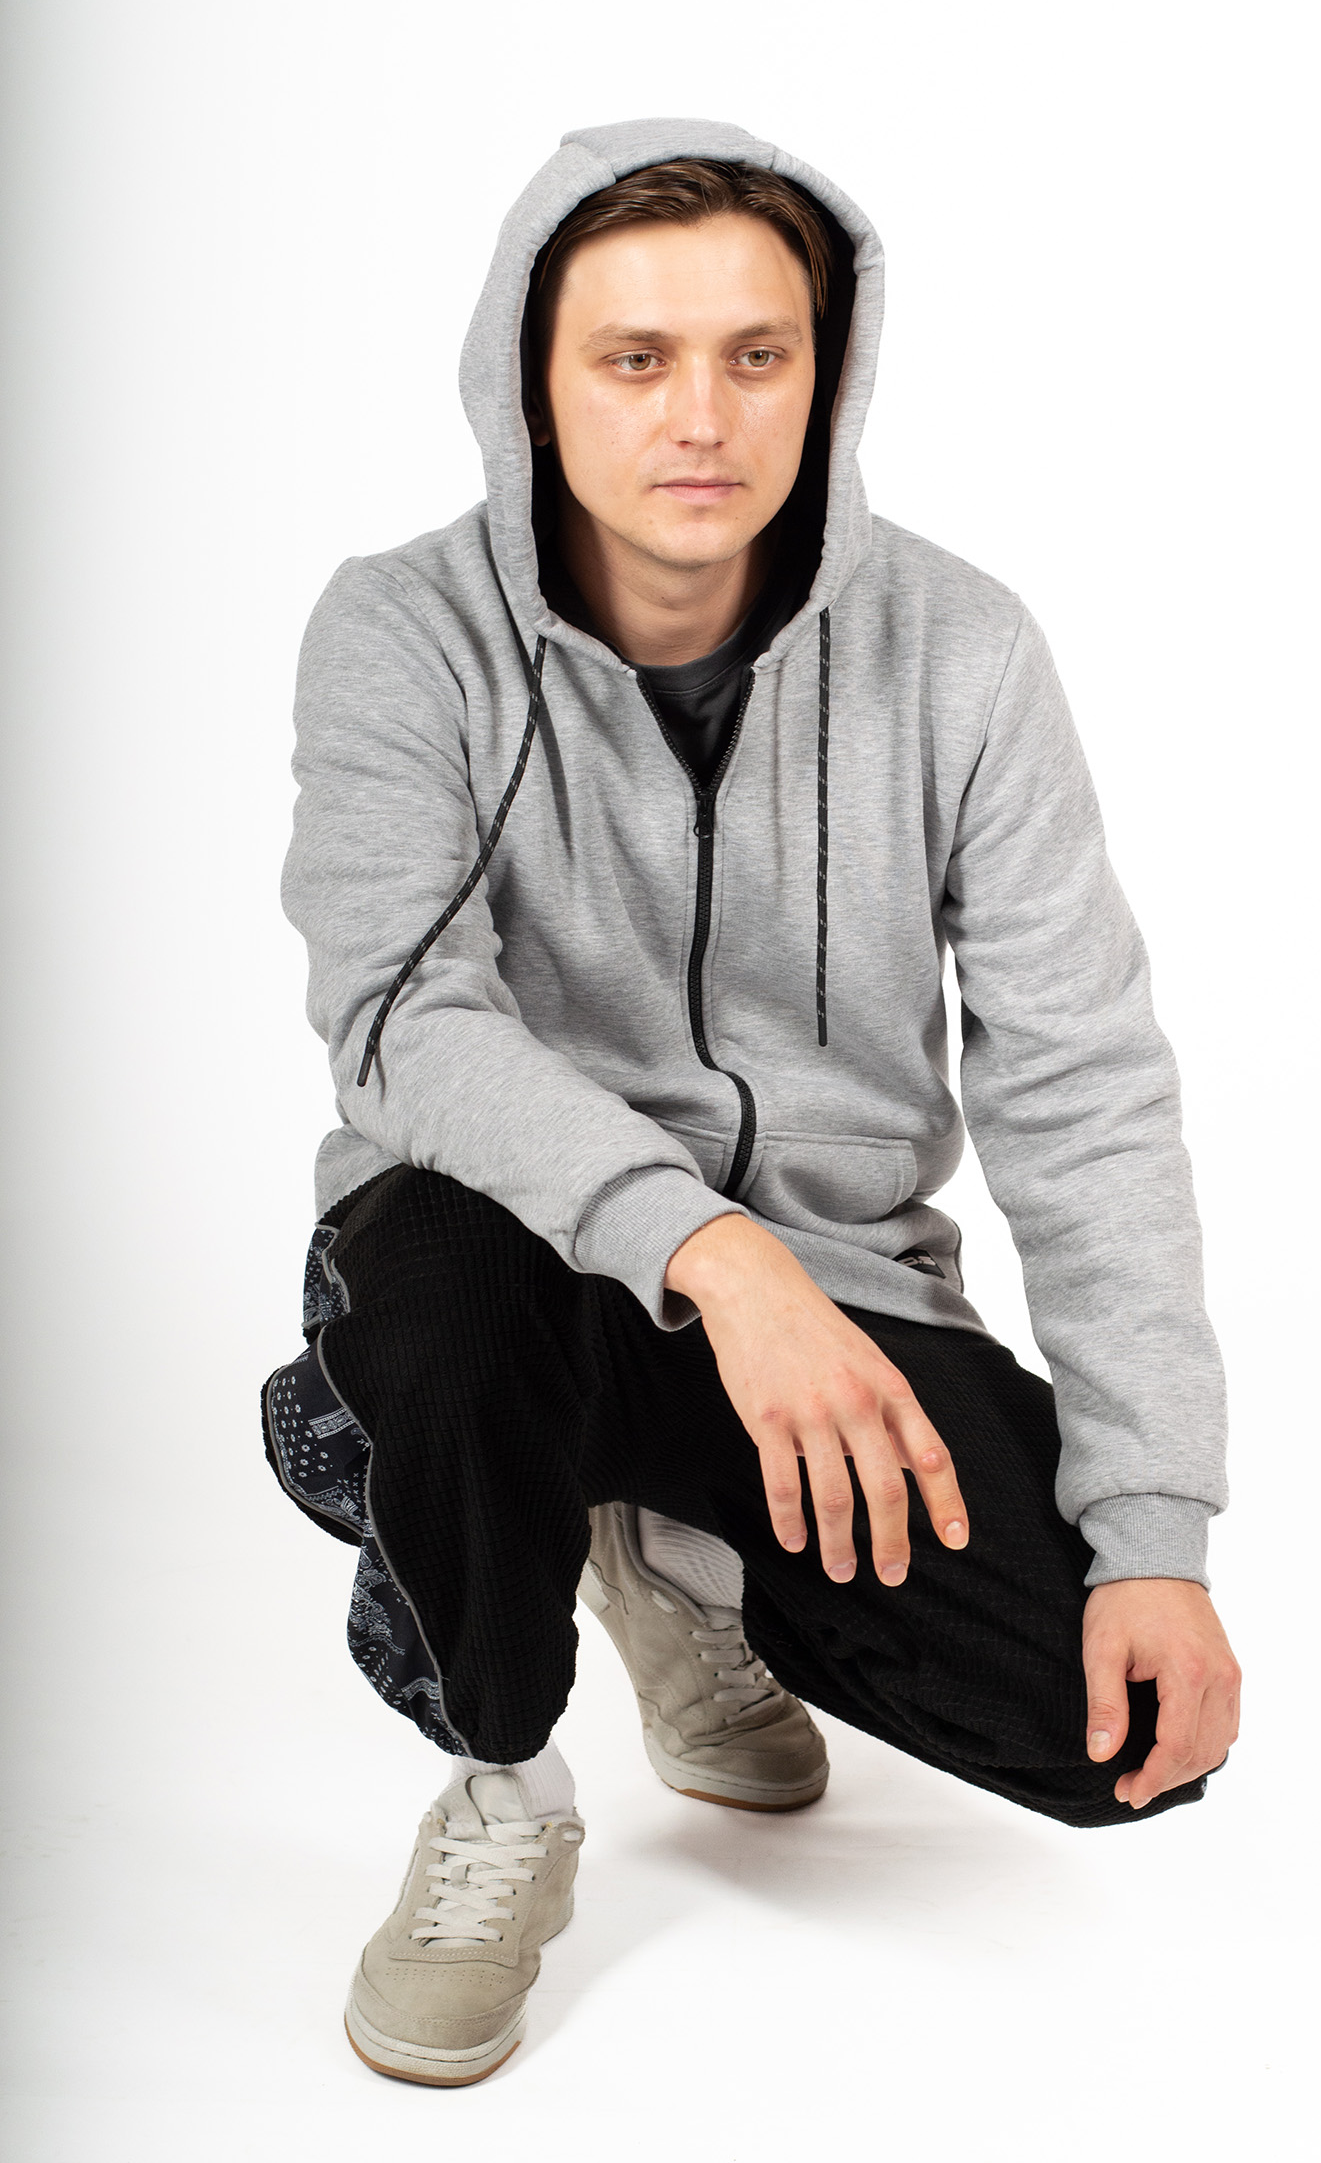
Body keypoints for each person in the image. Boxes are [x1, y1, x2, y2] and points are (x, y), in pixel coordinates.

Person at [264, 116, 1241, 2088]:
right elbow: (401, 1016)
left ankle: (671, 1560)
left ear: (828, 371)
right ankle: (502, 1774)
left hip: (838, 1288)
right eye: (635, 357)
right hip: (512, 1244)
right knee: (440, 1303)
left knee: (1110, 1732)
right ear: (532, 378)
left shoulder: (959, 651)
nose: (699, 414)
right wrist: (706, 1248)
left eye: (755, 353)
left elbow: (1080, 1087)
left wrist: (1153, 1526)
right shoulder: (405, 628)